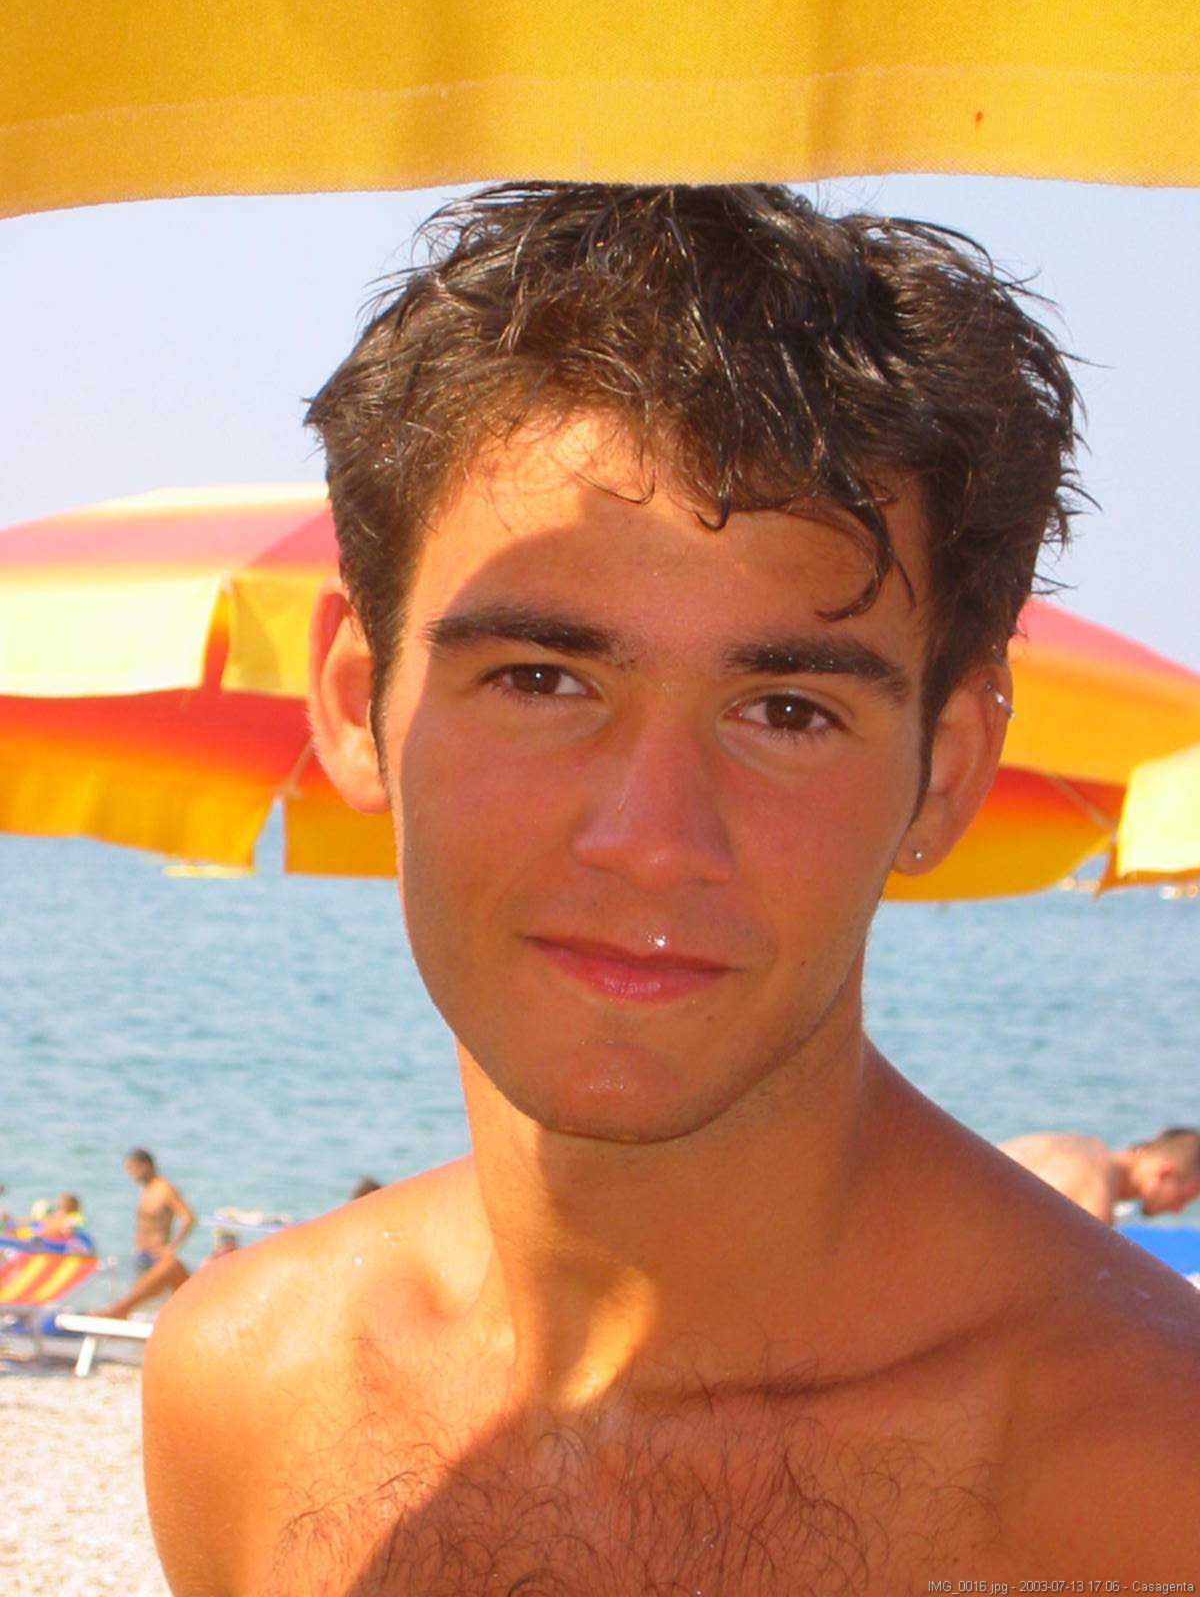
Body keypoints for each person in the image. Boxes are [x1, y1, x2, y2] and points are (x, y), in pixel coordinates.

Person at [144, 184, 1200, 1593]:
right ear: (353, 703)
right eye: (541, 679)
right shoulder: (243, 1391)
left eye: (788, 712)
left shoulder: (1146, 1476)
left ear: (946, 771)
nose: (651, 839)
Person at [1000, 1125, 1200, 1225]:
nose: (1178, 1210)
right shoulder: (1095, 1190)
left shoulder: (1082, 1147)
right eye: (1182, 1198)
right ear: (1164, 1174)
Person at [104, 1148, 194, 1318]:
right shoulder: (146, 1189)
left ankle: (117, 1312)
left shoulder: (164, 1189)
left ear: (145, 1165)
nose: (131, 1174)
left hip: (158, 1255)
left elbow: (188, 1218)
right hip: (141, 1255)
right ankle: (119, 1313)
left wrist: (172, 1247)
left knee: (151, 1299)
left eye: (133, 1168)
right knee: (146, 1305)